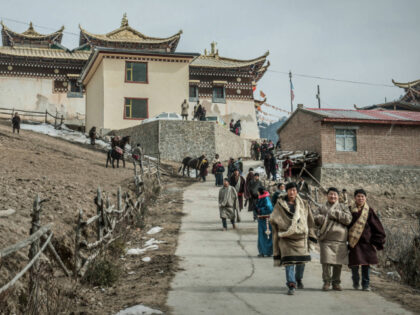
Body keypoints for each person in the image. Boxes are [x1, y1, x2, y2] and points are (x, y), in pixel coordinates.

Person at [270, 182, 317, 295]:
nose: (292, 192)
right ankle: (291, 284)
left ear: (297, 191)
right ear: (286, 191)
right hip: (286, 238)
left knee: (301, 262)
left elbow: (309, 220)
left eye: (294, 190)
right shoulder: (280, 205)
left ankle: (298, 278)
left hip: (301, 238)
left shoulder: (304, 204)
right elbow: (274, 218)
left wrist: (311, 234)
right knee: (289, 262)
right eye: (290, 190)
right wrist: (279, 225)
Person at [314, 187, 352, 291]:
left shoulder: (343, 207)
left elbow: (348, 220)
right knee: (326, 262)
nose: (333, 196)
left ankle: (336, 283)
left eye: (335, 194)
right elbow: (314, 218)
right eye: (331, 194)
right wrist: (321, 219)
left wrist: (335, 213)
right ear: (327, 195)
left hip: (340, 240)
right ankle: (326, 282)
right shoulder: (322, 207)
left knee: (337, 263)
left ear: (338, 196)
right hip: (326, 239)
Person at [348, 189, 386, 291]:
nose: (360, 198)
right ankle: (356, 282)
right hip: (353, 242)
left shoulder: (369, 211)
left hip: (366, 242)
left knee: (366, 264)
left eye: (362, 196)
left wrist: (376, 240)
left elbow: (376, 226)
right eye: (358, 196)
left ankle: (366, 285)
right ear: (355, 198)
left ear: (365, 198)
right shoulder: (349, 209)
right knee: (354, 264)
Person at [256, 187, 273, 257]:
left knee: (266, 236)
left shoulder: (266, 198)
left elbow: (270, 208)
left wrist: (261, 210)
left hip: (266, 220)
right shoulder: (261, 198)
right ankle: (262, 252)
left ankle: (267, 252)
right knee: (261, 236)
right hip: (261, 220)